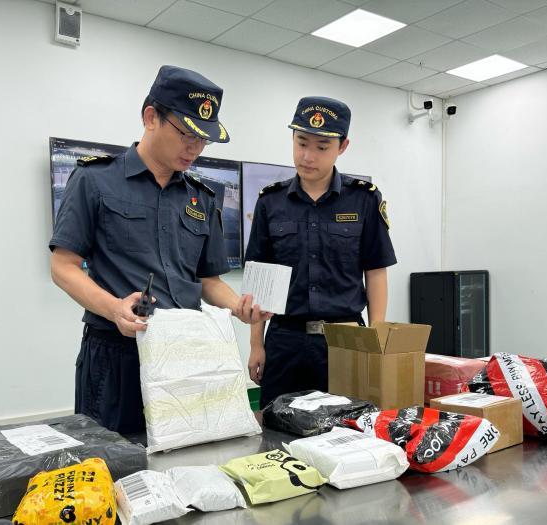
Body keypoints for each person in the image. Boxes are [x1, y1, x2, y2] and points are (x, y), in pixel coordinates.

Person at [49, 65, 270, 434]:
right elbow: (63, 266)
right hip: (118, 354)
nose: (195, 149)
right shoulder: (95, 180)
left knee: (183, 463)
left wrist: (237, 306)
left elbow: (207, 280)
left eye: (203, 140)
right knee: (114, 465)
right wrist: (114, 308)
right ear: (151, 117)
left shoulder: (202, 198)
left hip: (183, 353)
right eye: (186, 134)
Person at [244, 96, 396, 409]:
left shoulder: (363, 200)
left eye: (322, 147)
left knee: (347, 429)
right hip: (285, 339)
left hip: (344, 339)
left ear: (342, 146)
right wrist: (255, 344)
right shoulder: (270, 202)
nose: (308, 156)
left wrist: (375, 342)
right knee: (278, 428)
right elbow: (260, 278)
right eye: (301, 143)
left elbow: (376, 270)